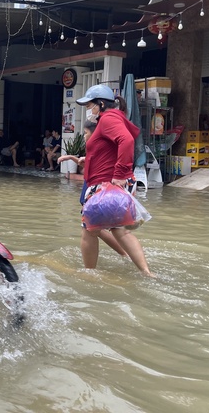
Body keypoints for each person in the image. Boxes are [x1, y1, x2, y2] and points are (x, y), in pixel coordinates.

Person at [75, 84, 154, 277]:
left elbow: (126, 141)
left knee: (89, 232)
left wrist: (119, 174)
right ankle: (147, 273)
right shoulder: (113, 118)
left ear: (101, 104)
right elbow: (111, 147)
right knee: (121, 231)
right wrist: (90, 159)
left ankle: (89, 275)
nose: (88, 110)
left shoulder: (108, 118)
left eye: (90, 105)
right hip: (111, 184)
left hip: (105, 184)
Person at [58, 122, 129, 259]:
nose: (84, 136)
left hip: (98, 193)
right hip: (93, 190)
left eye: (85, 133)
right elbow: (86, 167)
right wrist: (70, 157)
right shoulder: (96, 148)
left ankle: (124, 255)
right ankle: (125, 254)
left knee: (95, 229)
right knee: (99, 230)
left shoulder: (99, 148)